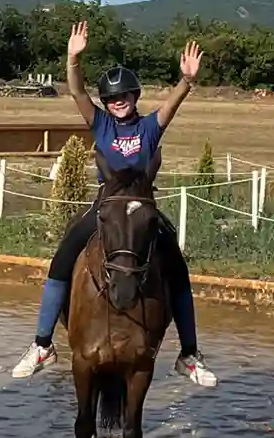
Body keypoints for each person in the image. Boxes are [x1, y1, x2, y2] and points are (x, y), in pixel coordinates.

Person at [11, 21, 217, 387]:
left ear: (135, 97)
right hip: (106, 208)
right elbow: (76, 92)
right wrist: (73, 59)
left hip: (141, 210)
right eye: (110, 98)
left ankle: (188, 354)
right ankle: (43, 344)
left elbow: (171, 107)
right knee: (61, 259)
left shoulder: (150, 127)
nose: (116, 101)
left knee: (178, 268)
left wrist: (186, 81)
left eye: (123, 96)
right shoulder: (101, 124)